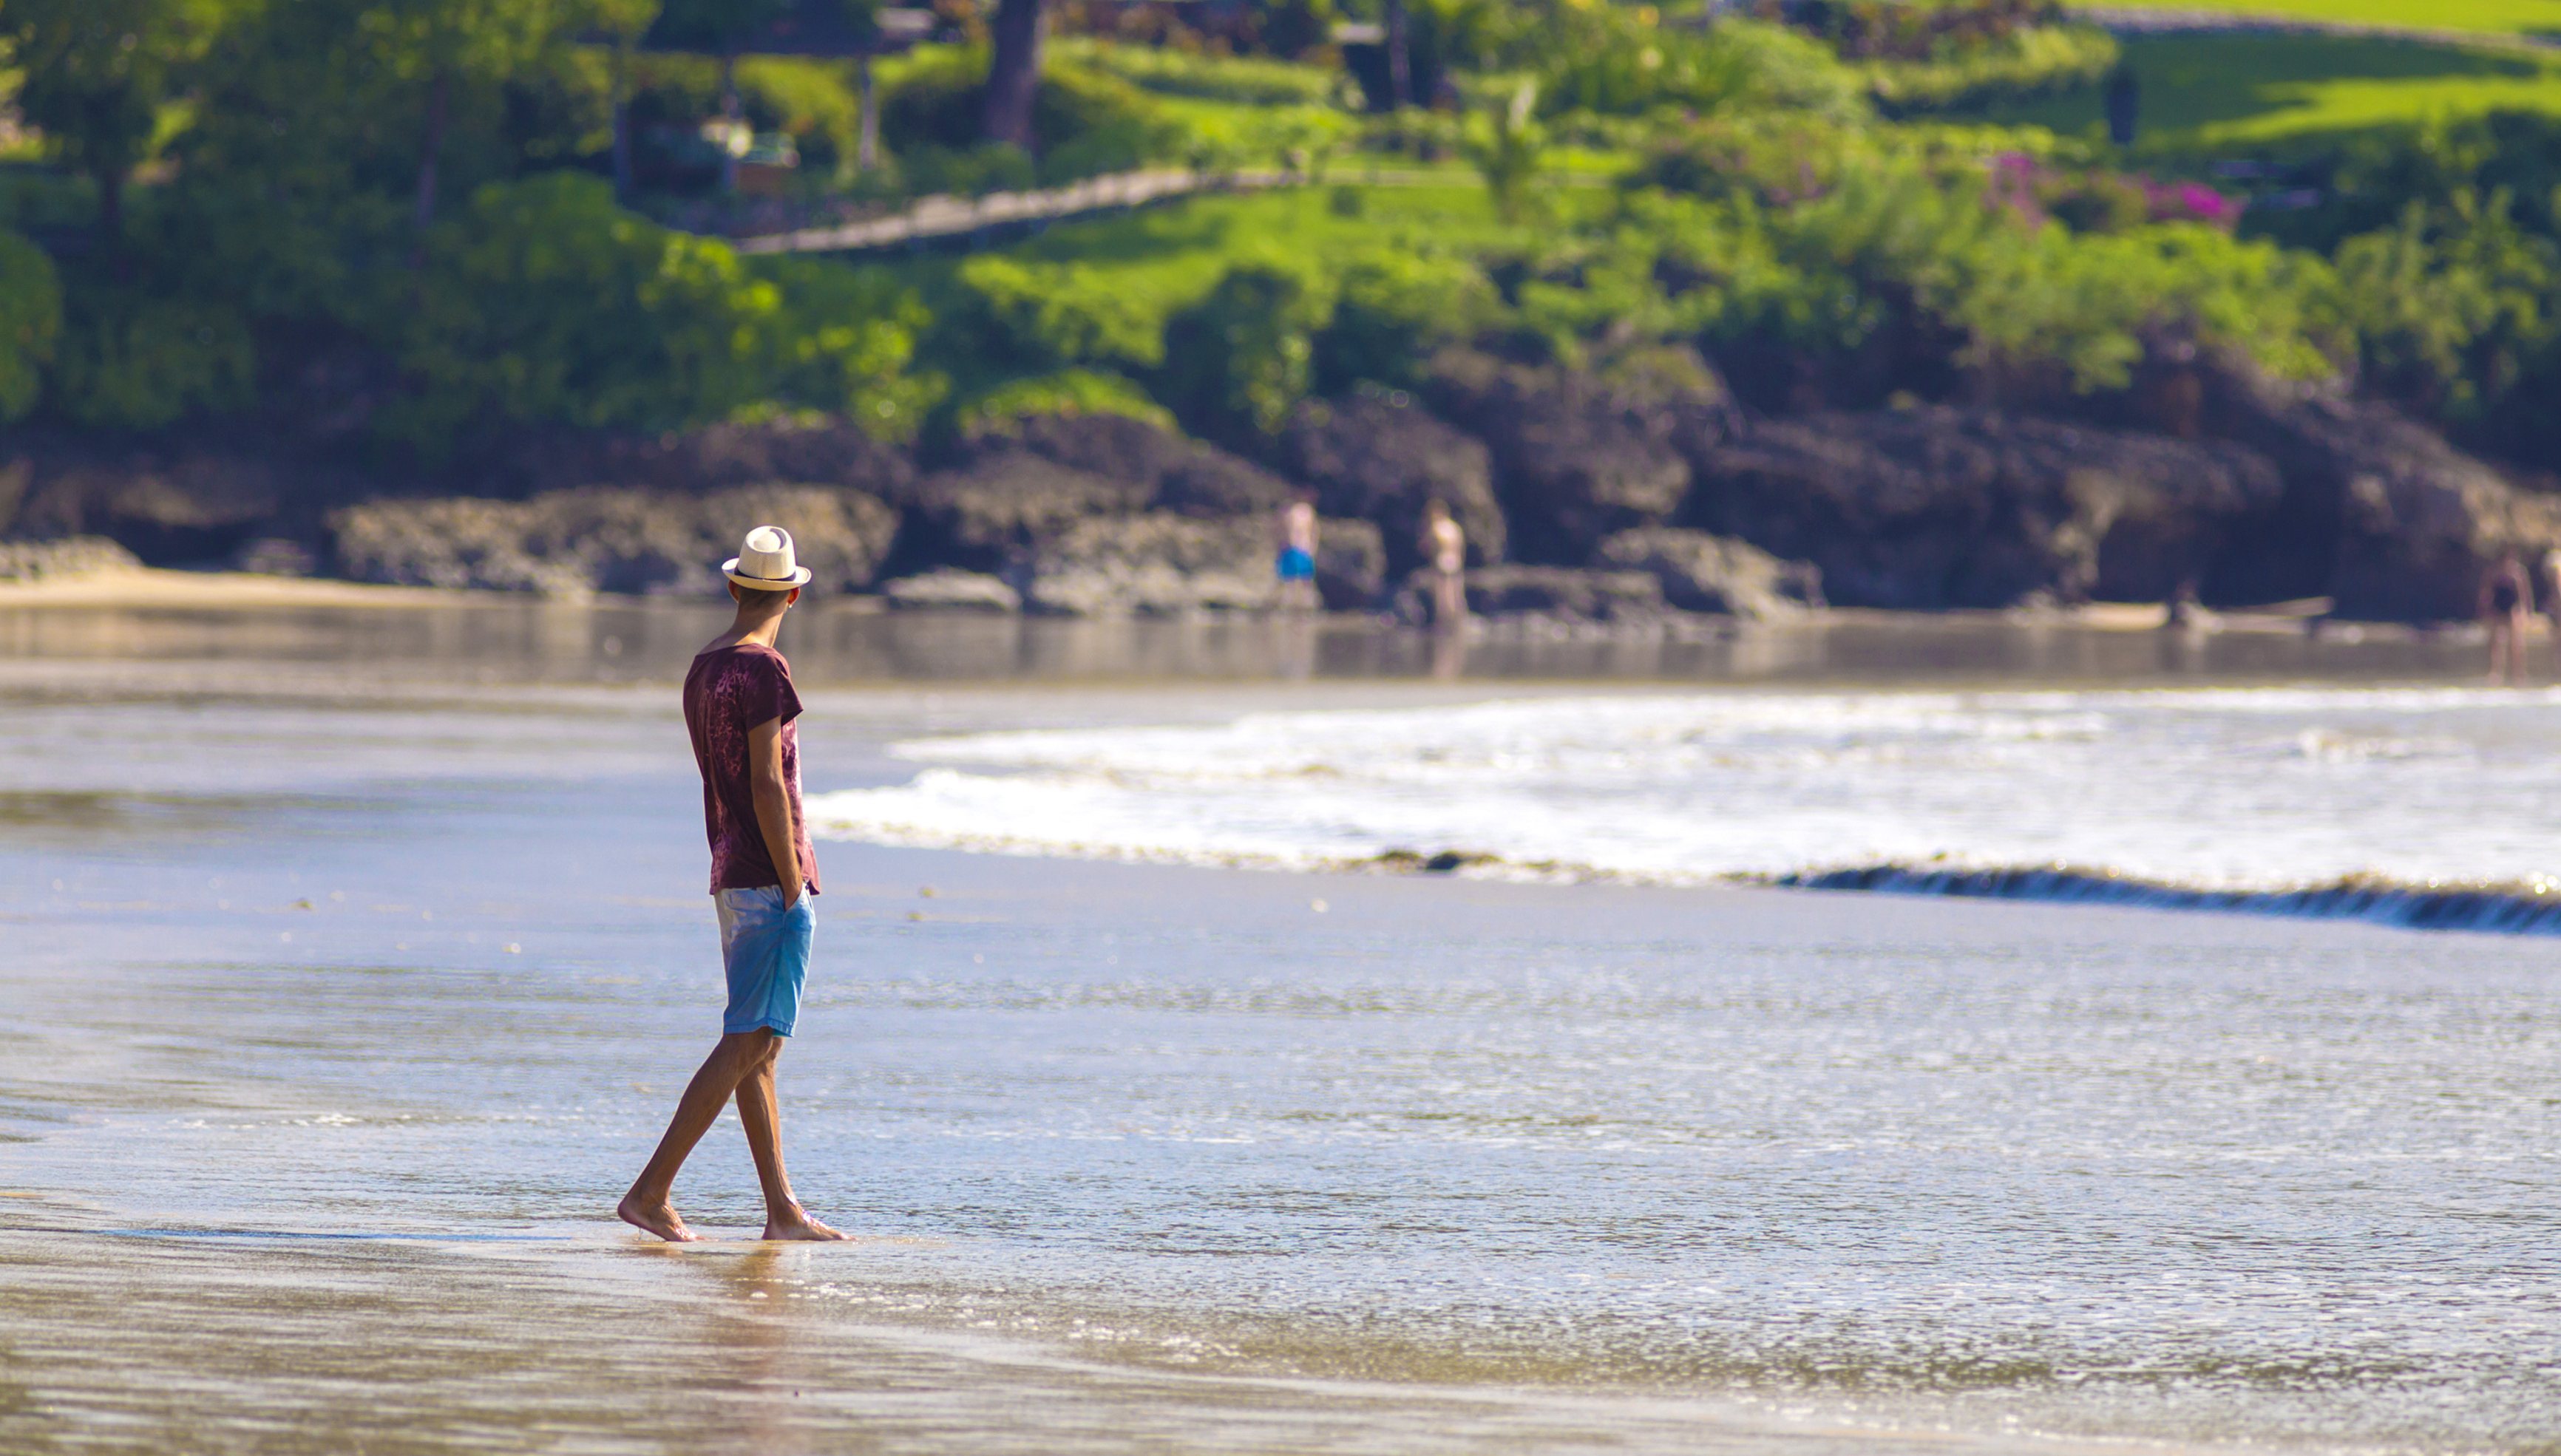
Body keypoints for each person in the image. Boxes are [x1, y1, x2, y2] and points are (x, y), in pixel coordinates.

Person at [620, 525, 847, 1244]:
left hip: (726, 869)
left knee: (758, 1046)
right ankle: (650, 1191)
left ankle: (781, 1208)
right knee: (747, 1039)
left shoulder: (703, 666)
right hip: (764, 875)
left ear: (732, 586)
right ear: (792, 593)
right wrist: (791, 880)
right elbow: (765, 782)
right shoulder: (764, 670)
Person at [2481, 550, 2533, 686]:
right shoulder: (2494, 573)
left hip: (2512, 609)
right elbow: (2487, 592)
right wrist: (2486, 610)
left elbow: (2524, 594)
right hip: (2498, 608)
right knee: (2496, 643)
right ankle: (2495, 673)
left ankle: (2519, 673)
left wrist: (2525, 613)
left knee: (2517, 643)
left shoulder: (2518, 573)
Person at [1420, 499, 1466, 630]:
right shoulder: (1454, 528)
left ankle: (1443, 625)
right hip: (1455, 562)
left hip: (1441, 563)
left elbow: (1429, 547)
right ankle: (1457, 624)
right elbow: (1460, 547)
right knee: (1456, 594)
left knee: (1442, 597)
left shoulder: (1436, 528)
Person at [1275, 488, 1320, 612]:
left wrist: (1312, 548)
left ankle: (1306, 606)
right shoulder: (1285, 510)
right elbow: (1279, 530)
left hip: (1303, 548)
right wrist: (1280, 546)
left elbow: (1313, 531)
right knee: (1287, 579)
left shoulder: (1307, 511)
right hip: (1288, 548)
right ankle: (1285, 606)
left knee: (1305, 579)